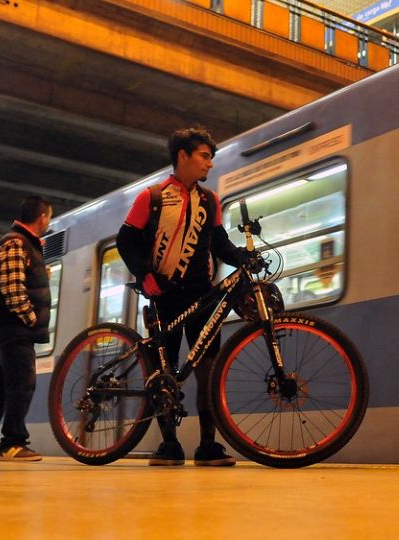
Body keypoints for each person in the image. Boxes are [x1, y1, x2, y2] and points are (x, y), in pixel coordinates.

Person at [117, 127, 245, 467]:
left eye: (211, 158)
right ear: (183, 156)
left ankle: (208, 446)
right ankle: (169, 444)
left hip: (203, 297)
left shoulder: (210, 200)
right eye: (205, 156)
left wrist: (242, 258)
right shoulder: (153, 197)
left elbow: (219, 242)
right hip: (165, 296)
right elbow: (126, 239)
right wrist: (145, 275)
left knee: (208, 370)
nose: (210, 165)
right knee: (165, 370)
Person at [0, 196, 53, 461]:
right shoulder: (15, 242)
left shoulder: (23, 244)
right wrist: (30, 319)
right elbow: (13, 291)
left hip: (10, 328)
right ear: (42, 217)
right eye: (49, 216)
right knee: (22, 383)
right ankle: (12, 443)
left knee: (2, 386)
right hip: (13, 328)